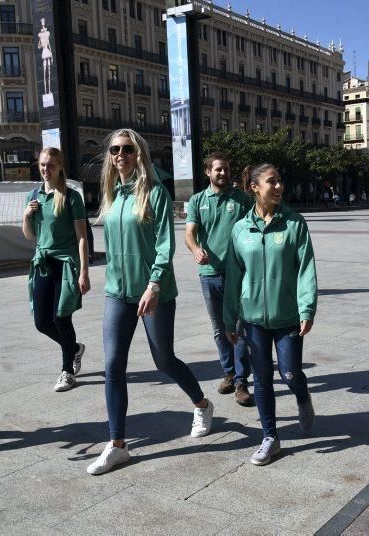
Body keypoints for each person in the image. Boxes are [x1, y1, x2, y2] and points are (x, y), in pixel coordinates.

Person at [87, 129, 213, 476]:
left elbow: (163, 245)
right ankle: (117, 445)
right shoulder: (111, 194)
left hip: (153, 290)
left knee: (164, 360)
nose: (120, 155)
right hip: (118, 291)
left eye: (127, 149)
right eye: (115, 149)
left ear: (139, 153)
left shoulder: (154, 193)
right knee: (113, 365)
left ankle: (202, 405)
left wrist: (154, 284)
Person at [224, 163, 317, 466]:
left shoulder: (294, 224)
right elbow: (234, 276)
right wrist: (230, 317)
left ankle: (303, 398)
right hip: (252, 320)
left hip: (287, 315)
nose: (278, 187)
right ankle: (270, 437)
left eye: (280, 181)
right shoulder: (240, 229)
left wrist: (307, 308)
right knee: (262, 379)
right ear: (254, 188)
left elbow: (306, 270)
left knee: (290, 373)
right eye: (271, 182)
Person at [185, 153, 255, 406]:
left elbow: (253, 229)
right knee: (219, 329)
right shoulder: (196, 201)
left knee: (238, 328)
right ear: (208, 173)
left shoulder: (242, 199)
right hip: (209, 274)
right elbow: (190, 234)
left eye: (226, 169)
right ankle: (228, 372)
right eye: (218, 170)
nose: (223, 173)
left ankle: (241, 382)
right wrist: (195, 250)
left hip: (238, 274)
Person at [22, 148, 89, 392]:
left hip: (65, 263)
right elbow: (30, 236)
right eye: (42, 164)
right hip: (42, 263)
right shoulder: (33, 196)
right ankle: (74, 348)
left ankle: (67, 371)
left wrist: (84, 272)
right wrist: (27, 215)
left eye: (50, 165)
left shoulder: (71, 197)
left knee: (61, 317)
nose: (45, 169)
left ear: (60, 166)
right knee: (41, 321)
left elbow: (82, 238)